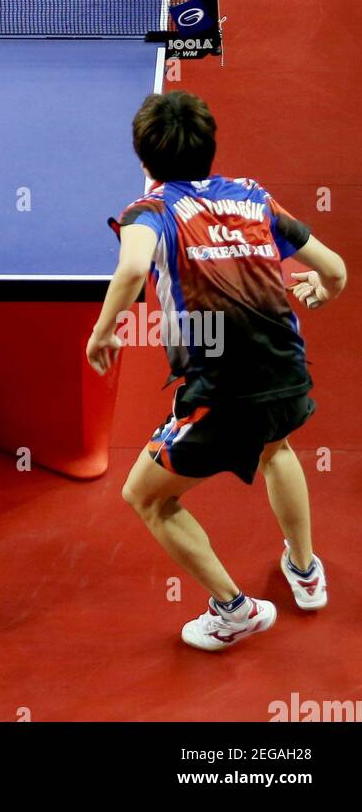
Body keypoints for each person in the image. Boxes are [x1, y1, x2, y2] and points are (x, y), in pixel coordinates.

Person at [84, 92, 344, 650]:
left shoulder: (149, 211)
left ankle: (234, 610)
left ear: (145, 162)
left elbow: (131, 267)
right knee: (278, 448)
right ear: (210, 149)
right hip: (288, 376)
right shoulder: (254, 197)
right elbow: (336, 271)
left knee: (148, 497)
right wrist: (321, 289)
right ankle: (305, 570)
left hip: (224, 396)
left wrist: (104, 330)